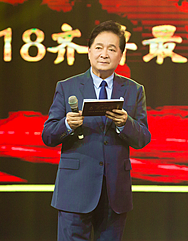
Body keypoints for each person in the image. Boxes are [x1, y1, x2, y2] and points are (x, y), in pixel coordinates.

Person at [42, 20, 151, 241]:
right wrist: (67, 125)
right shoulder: (67, 87)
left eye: (112, 49)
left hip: (114, 193)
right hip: (75, 189)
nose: (104, 54)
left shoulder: (134, 90)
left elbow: (143, 138)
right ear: (89, 51)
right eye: (99, 47)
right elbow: (48, 135)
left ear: (121, 55)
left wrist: (125, 123)